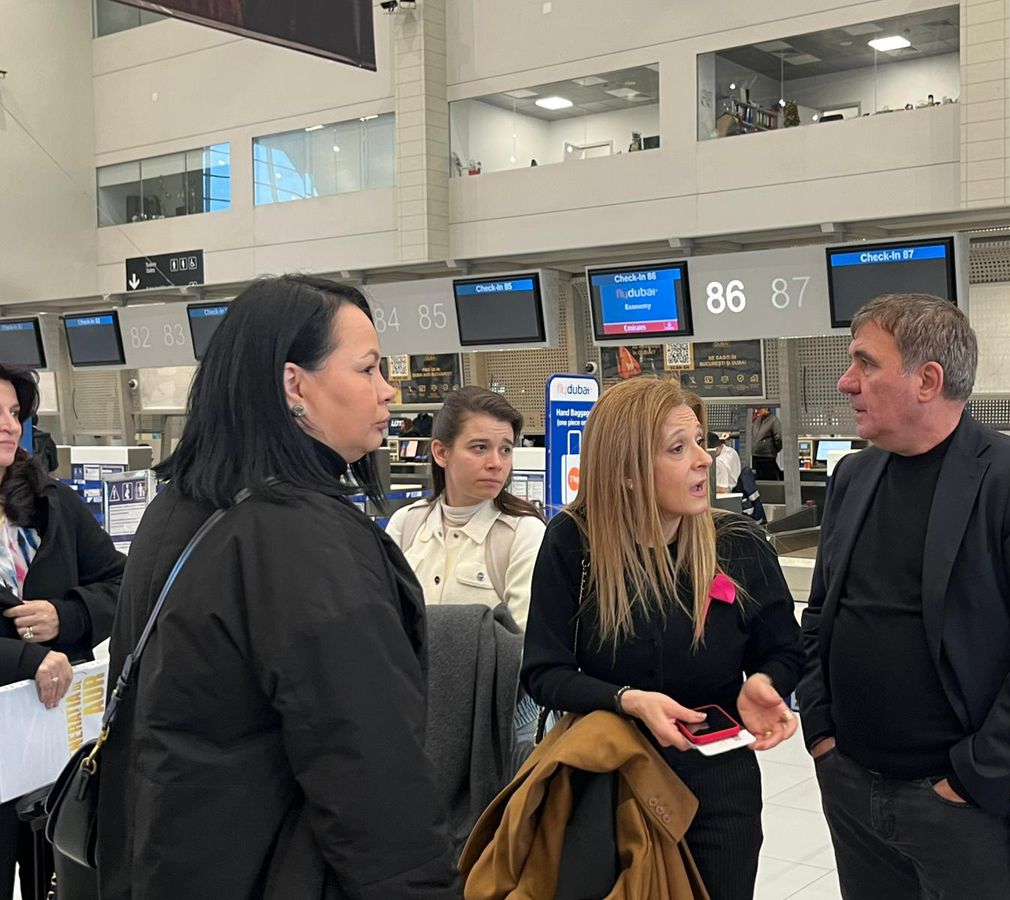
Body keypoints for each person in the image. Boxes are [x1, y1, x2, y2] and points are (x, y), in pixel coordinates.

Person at [95, 275, 460, 899]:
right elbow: (370, 768)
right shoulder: (306, 539)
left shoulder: (177, 509)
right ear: (295, 385)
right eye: (368, 368)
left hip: (167, 859)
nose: (387, 390)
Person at [797, 294, 1010, 899]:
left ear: (927, 380)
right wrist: (821, 732)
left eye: (865, 363)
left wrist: (971, 778)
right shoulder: (853, 477)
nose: (846, 381)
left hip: (960, 804)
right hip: (851, 784)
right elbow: (821, 614)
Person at [522, 377, 804, 900]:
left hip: (718, 788)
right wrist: (627, 700)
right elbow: (544, 671)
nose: (703, 459)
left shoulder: (738, 545)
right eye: (678, 448)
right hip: (610, 782)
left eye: (700, 441)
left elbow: (785, 648)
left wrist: (766, 682)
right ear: (626, 471)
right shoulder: (574, 543)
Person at [0, 364, 124, 900]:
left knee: (58, 874)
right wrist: (25, 659)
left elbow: (122, 582)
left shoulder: (53, 503)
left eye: (13, 412)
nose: (9, 425)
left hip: (51, 737)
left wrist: (66, 614)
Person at [386, 385, 545, 629]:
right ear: (441, 453)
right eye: (480, 447)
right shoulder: (406, 524)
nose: (496, 463)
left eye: (505, 449)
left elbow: (526, 640)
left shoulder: (523, 534)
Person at [750, 406, 782, 480]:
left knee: (770, 479)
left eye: (759, 409)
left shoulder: (774, 420)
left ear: (766, 408)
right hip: (756, 456)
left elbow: (779, 438)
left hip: (767, 457)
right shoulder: (757, 421)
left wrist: (774, 449)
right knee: (760, 480)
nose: (757, 411)